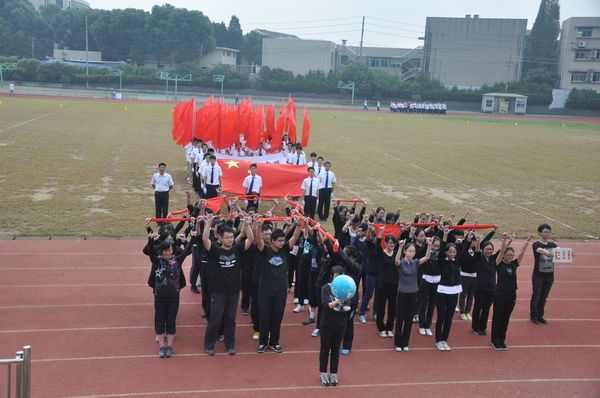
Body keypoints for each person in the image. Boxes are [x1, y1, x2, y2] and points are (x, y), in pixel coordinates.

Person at [202, 214, 254, 356]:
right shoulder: (215, 251)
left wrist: (248, 224)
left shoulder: (237, 250)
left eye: (231, 237)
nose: (230, 240)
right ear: (220, 238)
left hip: (233, 291)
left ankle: (230, 344)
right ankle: (209, 344)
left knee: (230, 319)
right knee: (215, 319)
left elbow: (251, 239)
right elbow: (205, 240)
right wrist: (208, 223)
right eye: (227, 237)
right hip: (218, 292)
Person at [146, 220, 196, 358]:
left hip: (174, 298)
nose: (169, 252)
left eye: (170, 250)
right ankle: (162, 347)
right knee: (161, 322)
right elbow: (150, 252)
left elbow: (186, 251)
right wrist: (150, 240)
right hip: (160, 297)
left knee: (171, 321)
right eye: (166, 250)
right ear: (162, 252)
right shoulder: (157, 261)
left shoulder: (177, 260)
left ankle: (170, 347)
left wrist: (193, 237)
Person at [254, 216, 303, 353]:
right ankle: (263, 342)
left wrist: (298, 225)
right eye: (280, 241)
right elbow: (258, 241)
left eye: (283, 241)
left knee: (277, 317)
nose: (282, 243)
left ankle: (274, 342)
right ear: (273, 241)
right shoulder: (265, 250)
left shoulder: (285, 250)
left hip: (280, 290)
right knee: (264, 317)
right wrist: (258, 226)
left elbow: (294, 238)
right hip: (265, 290)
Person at [492, 233, 533, 350]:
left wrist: (527, 241)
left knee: (506, 317)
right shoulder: (499, 264)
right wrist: (505, 240)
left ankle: (501, 339)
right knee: (498, 316)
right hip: (500, 294)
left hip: (511, 294)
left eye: (511, 255)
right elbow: (500, 252)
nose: (510, 257)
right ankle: (495, 340)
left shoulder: (514, 264)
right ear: (504, 255)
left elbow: (521, 253)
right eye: (508, 255)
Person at [319, 266, 352, 387]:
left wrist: (344, 301)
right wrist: (338, 301)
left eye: (341, 276)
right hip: (327, 324)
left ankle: (333, 373)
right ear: (332, 276)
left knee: (335, 350)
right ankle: (323, 372)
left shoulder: (347, 289)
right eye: (336, 276)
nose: (338, 279)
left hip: (340, 324)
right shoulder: (326, 288)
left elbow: (348, 306)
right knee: (324, 349)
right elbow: (326, 305)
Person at [530, 224, 557, 325]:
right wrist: (552, 254)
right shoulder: (536, 244)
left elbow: (561, 251)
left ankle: (540, 315)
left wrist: (568, 253)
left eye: (549, 232)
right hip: (538, 275)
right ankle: (533, 316)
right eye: (545, 231)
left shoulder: (553, 245)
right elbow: (541, 251)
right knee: (536, 296)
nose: (547, 233)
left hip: (549, 275)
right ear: (540, 233)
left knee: (543, 297)